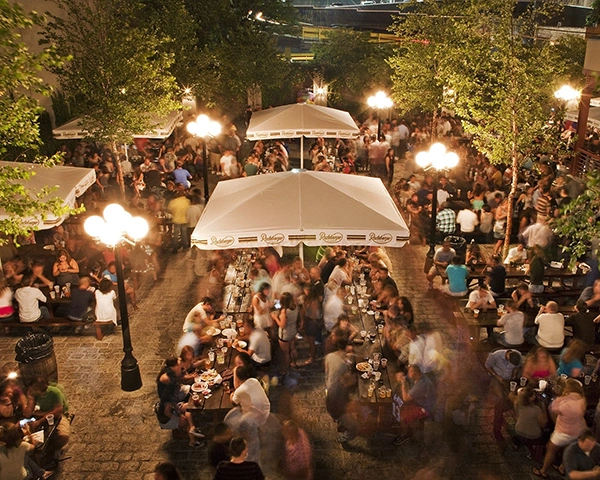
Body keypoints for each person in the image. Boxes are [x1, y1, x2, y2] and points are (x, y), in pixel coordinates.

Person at [534, 379, 587, 478]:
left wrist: (558, 397)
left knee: (550, 449)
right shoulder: (581, 398)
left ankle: (543, 471)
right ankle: (562, 467)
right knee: (567, 449)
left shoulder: (566, 405)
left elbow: (553, 408)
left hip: (565, 432)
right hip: (579, 430)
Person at [224, 367, 270, 463]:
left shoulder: (240, 390)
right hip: (266, 409)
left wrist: (233, 391)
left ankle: (245, 443)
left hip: (257, 417)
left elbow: (233, 401)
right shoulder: (253, 380)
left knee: (232, 419)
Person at [23, 377, 70, 468]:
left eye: (31, 388)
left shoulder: (55, 392)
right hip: (44, 416)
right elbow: (28, 414)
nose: (29, 390)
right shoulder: (35, 395)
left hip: (60, 417)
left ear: (37, 388)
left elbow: (58, 412)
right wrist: (31, 398)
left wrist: (41, 418)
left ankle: (53, 453)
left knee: (63, 435)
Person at [324, 338, 358, 448]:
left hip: (334, 399)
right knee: (355, 427)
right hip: (337, 408)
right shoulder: (344, 365)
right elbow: (347, 383)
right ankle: (342, 439)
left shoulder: (330, 357)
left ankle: (341, 423)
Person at [393, 365, 436, 446]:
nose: (408, 374)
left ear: (418, 374)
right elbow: (404, 377)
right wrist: (400, 376)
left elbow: (406, 398)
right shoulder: (417, 376)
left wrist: (403, 384)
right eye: (409, 372)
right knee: (398, 399)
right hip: (419, 400)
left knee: (403, 415)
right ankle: (402, 423)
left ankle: (404, 435)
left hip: (425, 407)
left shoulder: (421, 384)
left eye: (410, 373)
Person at [509, 386, 547, 462]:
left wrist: (516, 390)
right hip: (534, 436)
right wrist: (543, 408)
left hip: (518, 431)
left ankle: (518, 441)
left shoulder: (517, 403)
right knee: (546, 434)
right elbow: (543, 424)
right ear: (531, 398)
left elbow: (510, 395)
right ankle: (538, 453)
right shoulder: (537, 410)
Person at [271, 292, 298, 372]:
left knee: (286, 353)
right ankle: (294, 362)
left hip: (284, 334)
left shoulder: (284, 312)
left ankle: (286, 369)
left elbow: (282, 325)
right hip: (293, 331)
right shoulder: (295, 306)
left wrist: (275, 318)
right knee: (293, 348)